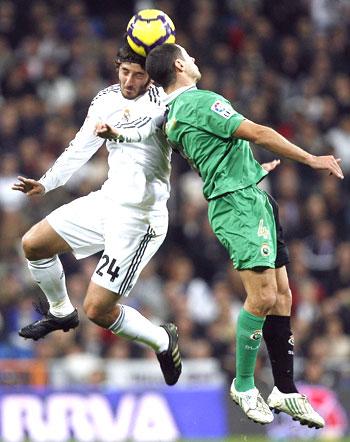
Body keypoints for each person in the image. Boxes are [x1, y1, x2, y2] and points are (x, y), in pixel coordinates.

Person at [142, 44, 344, 426]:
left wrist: (249, 169)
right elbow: (258, 131)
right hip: (238, 206)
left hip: (248, 195)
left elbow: (217, 153)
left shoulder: (175, 114)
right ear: (180, 65)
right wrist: (311, 157)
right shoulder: (199, 103)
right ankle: (245, 383)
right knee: (264, 295)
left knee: (283, 294)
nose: (198, 61)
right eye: (191, 57)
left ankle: (284, 388)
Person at [12, 42, 182, 387]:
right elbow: (80, 147)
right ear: (117, 67)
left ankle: (163, 341)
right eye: (125, 72)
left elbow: (143, 131)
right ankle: (61, 311)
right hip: (108, 200)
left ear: (151, 76)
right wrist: (46, 184)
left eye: (139, 74)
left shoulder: (163, 105)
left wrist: (118, 133)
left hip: (141, 218)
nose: (130, 81)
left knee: (99, 310)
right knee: (34, 244)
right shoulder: (105, 100)